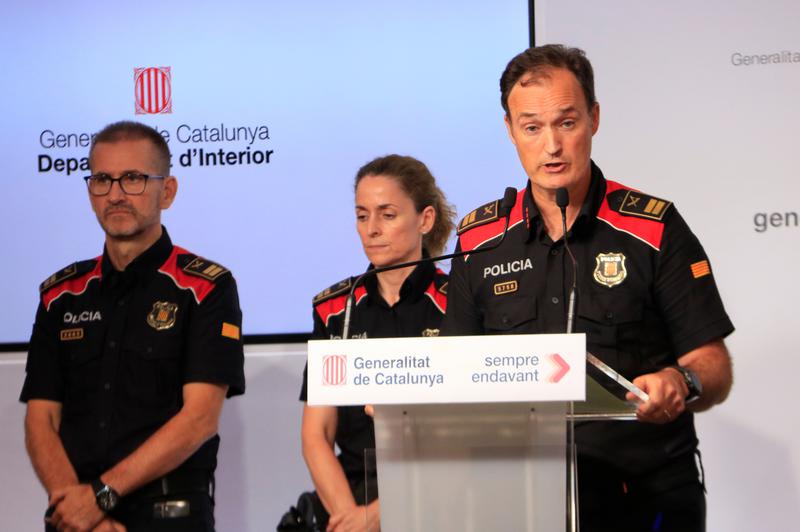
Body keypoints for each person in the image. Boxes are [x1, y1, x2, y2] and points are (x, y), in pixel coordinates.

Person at [442, 44, 734, 532]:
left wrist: (682, 382)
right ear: (510, 131)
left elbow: (713, 365)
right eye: (532, 127)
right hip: (521, 500)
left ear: (594, 119)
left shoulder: (654, 229)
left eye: (567, 122)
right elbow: (453, 370)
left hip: (645, 495)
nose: (551, 146)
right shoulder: (478, 240)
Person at [20, 121, 245, 532]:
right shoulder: (60, 295)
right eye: (103, 179)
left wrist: (102, 497)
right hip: (75, 519)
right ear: (90, 192)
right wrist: (79, 509)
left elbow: (199, 419)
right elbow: (41, 421)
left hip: (169, 515)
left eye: (134, 179)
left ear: (168, 190)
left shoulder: (205, 287)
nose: (117, 194)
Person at [299, 155, 455, 532]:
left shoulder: (458, 304)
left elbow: (460, 435)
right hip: (351, 504)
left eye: (387, 214)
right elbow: (316, 434)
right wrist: (351, 518)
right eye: (362, 215)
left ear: (425, 219)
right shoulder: (334, 310)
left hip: (441, 500)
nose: (372, 229)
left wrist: (379, 515)